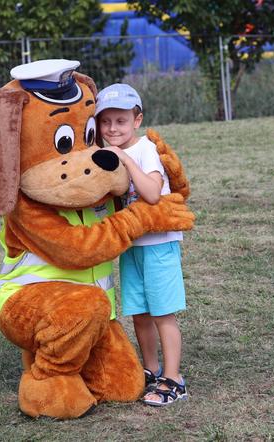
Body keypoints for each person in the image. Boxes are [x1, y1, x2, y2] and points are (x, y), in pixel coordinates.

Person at [95, 83, 189, 406]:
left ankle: (174, 379)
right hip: (132, 245)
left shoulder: (146, 148)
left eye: (120, 121)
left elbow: (151, 193)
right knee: (139, 313)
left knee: (163, 313)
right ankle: (150, 370)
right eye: (106, 122)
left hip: (158, 244)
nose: (112, 128)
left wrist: (126, 160)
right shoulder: (105, 155)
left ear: (137, 120)